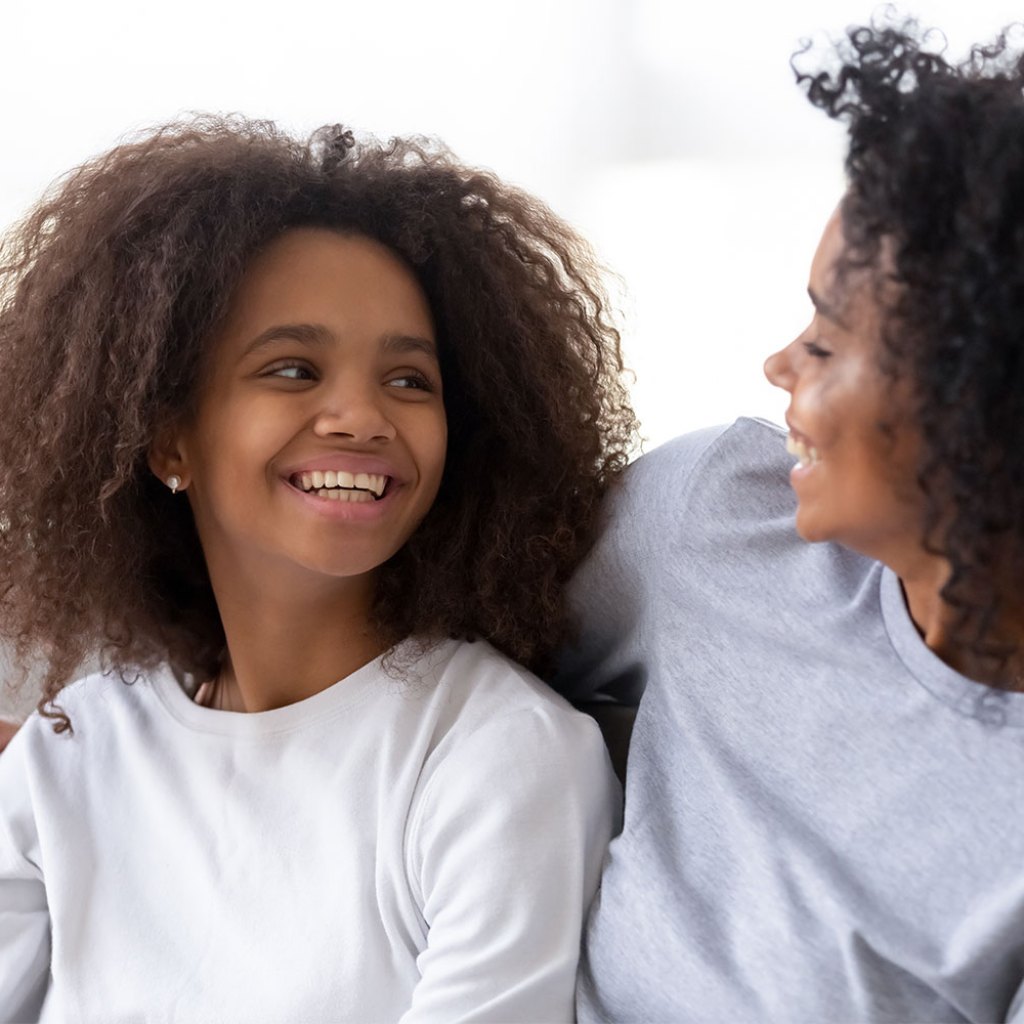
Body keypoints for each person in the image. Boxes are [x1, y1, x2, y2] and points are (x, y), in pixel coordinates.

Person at [0, 118, 635, 1022]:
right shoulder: (71, 755)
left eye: (411, 381)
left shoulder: (495, 757)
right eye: (293, 369)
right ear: (166, 436)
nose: (360, 416)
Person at [556, 19, 1024, 1022]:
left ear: (976, 396)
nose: (779, 365)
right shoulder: (714, 516)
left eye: (826, 338)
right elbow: (420, 664)